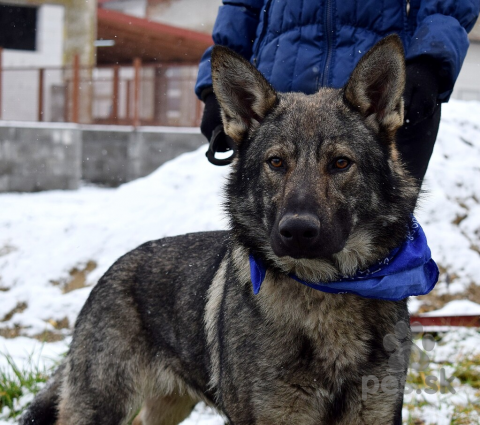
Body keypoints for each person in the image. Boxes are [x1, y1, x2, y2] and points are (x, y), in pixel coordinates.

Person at [195, 0, 479, 181]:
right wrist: (213, 87)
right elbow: (240, 6)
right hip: (277, 94)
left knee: (381, 241)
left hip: (378, 94)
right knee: (276, 242)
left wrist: (428, 58)